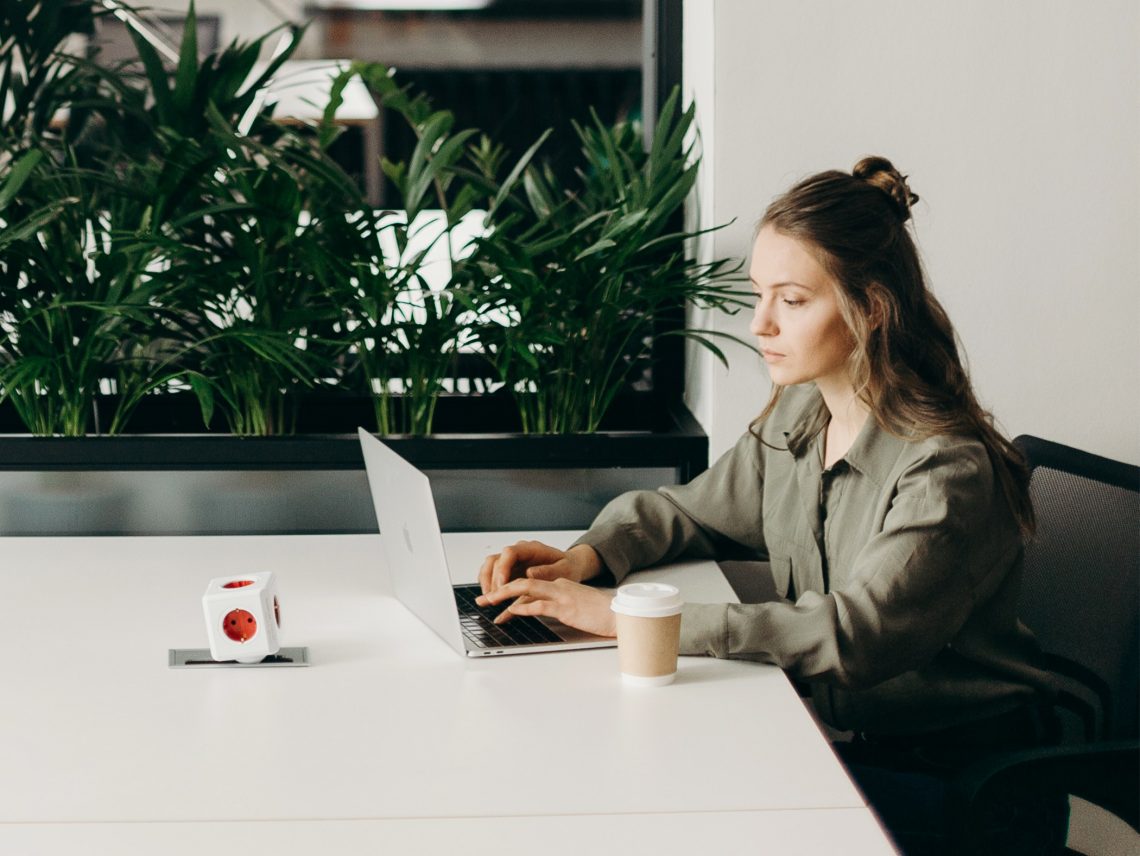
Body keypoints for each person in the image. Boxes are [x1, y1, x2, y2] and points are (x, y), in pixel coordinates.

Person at [476, 156, 1058, 850]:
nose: (761, 324)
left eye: (793, 299)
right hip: (863, 748)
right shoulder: (802, 416)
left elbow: (852, 637)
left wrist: (627, 619)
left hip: (970, 788)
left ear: (868, 308)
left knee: (697, 810)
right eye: (760, 295)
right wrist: (585, 559)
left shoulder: (945, 469)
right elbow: (690, 512)